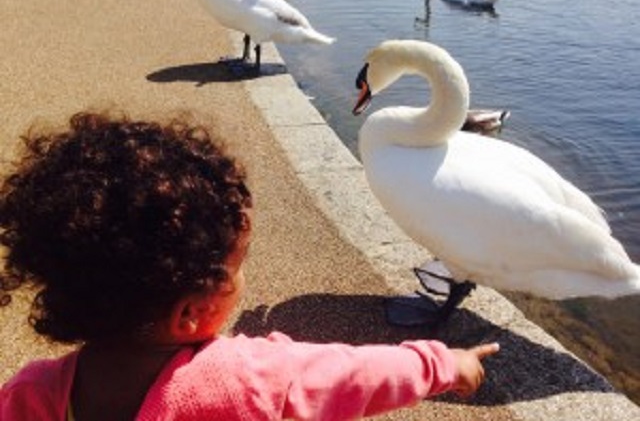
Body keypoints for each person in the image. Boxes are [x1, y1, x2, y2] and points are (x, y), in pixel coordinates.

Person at [0, 112, 499, 420]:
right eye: (237, 265)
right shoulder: (243, 378)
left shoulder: (30, 396)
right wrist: (443, 364)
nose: (243, 279)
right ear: (190, 314)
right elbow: (355, 376)